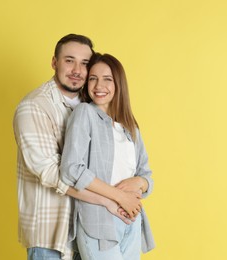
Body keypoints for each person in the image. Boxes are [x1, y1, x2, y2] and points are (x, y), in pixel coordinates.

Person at [13, 34, 137, 260]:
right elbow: (51, 173)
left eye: (85, 63)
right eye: (69, 60)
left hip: (89, 227)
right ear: (54, 63)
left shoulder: (92, 105)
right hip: (52, 235)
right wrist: (111, 199)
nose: (77, 70)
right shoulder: (34, 106)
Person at [60, 53, 155, 260]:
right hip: (98, 220)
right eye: (93, 78)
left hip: (131, 221)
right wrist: (119, 196)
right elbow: (71, 169)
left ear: (119, 84)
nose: (98, 85)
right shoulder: (85, 113)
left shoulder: (130, 127)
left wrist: (139, 181)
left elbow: (147, 177)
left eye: (107, 79)